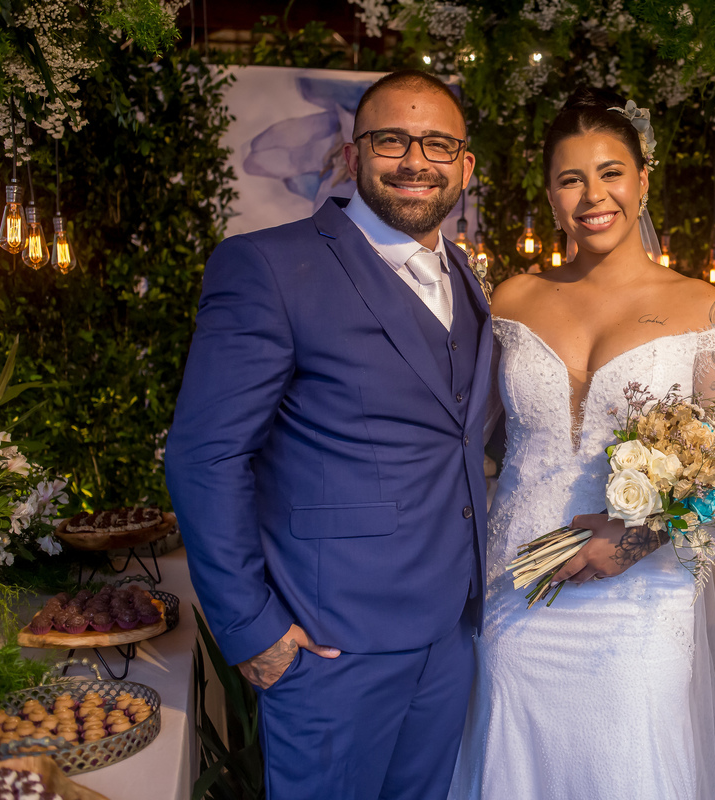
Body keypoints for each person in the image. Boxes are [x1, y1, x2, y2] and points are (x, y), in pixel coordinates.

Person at [165, 70, 491, 800]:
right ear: (353, 154)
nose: (416, 160)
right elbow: (204, 458)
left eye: (438, 143)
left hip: (451, 632)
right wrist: (253, 630)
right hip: (328, 645)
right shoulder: (268, 266)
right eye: (391, 140)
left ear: (465, 166)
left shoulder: (464, 277)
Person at [449, 86, 715, 800]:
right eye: (571, 179)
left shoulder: (703, 310)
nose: (593, 194)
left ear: (644, 181)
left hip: (640, 603)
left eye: (611, 172)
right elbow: (462, 437)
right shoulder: (510, 299)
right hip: (519, 586)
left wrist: (634, 541)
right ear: (552, 197)